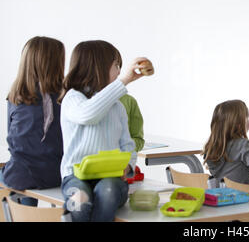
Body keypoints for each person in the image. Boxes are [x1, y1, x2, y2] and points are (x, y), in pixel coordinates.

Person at [59, 40, 153, 222]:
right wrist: (125, 80)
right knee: (79, 200)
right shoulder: (73, 98)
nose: (119, 72)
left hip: (111, 179)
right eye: (116, 66)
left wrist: (129, 165)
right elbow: (88, 115)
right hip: (75, 175)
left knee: (107, 191)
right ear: (97, 67)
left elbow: (128, 145)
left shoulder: (117, 107)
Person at [0, 36, 65, 206]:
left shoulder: (16, 95)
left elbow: (13, 139)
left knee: (18, 172)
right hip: (57, 174)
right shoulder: (66, 96)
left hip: (21, 176)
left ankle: (20, 214)